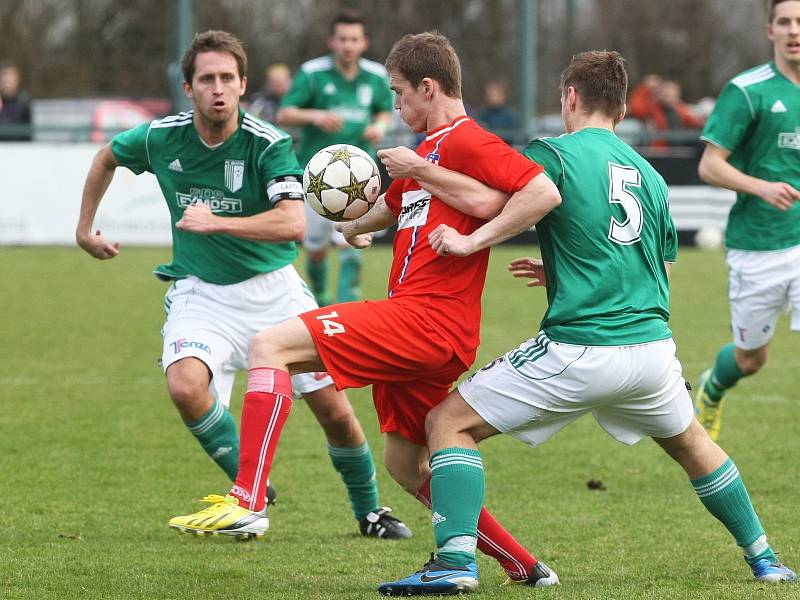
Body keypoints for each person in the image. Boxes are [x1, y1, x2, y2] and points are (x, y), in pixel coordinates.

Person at [380, 50, 797, 595]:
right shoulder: (648, 174)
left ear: (569, 98)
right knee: (694, 445)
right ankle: (765, 558)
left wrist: (437, 193)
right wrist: (561, 269)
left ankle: (457, 562)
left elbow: (498, 201)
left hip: (579, 347)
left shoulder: (551, 153)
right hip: (651, 353)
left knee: (446, 424)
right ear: (623, 110)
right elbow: (656, 270)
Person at [170, 30, 563, 587]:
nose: (397, 106)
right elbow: (395, 206)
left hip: (426, 319)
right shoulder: (428, 151)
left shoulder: (466, 142)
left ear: (429, 88)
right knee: (406, 464)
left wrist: (473, 240)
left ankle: (247, 497)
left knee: (269, 345)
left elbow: (541, 192)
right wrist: (353, 226)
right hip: (426, 328)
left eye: (401, 94)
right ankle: (524, 566)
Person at [75, 30, 410, 541]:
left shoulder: (267, 142)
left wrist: (218, 222)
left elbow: (293, 224)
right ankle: (251, 488)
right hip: (200, 290)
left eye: (226, 78)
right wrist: (84, 228)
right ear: (188, 88)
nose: (217, 88)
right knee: (186, 386)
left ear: (243, 84)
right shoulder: (160, 137)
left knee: (334, 411)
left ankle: (370, 511)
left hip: (273, 290)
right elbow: (107, 158)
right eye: (206, 78)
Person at [693, 0, 800, 441]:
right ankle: (712, 389)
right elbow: (709, 166)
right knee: (750, 358)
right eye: (786, 22)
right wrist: (760, 186)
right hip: (757, 246)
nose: (795, 29)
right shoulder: (747, 90)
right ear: (770, 30)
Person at [276, 9, 393, 307]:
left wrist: (379, 125)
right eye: (342, 38)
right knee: (315, 250)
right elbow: (284, 112)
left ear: (364, 42)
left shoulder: (377, 76)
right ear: (331, 41)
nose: (348, 45)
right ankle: (321, 301)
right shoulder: (312, 73)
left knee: (352, 245)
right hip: (316, 178)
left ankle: (345, 311)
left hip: (360, 177)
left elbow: (383, 109)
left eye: (354, 39)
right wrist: (315, 115)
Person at [0, 62, 32, 141]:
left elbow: (27, 133)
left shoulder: (24, 103)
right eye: (4, 78)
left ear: (17, 80)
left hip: (18, 149)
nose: (7, 82)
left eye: (10, 78)